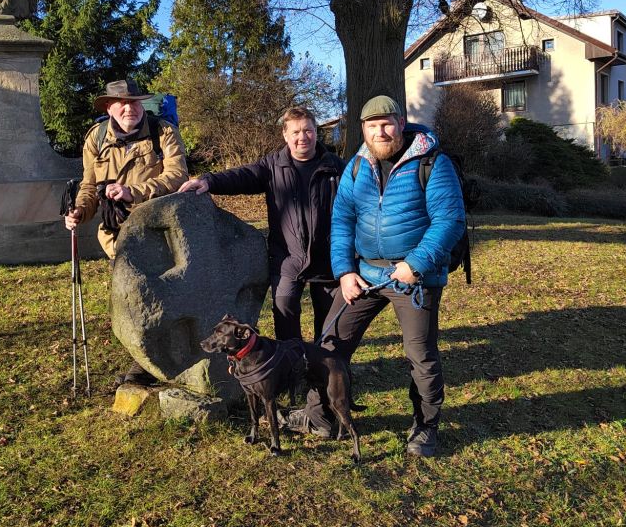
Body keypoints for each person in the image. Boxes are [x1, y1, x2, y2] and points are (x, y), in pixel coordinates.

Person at [286, 95, 465, 456]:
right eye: (372, 126)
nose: (380, 132)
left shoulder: (433, 162)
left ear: (401, 124)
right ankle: (320, 416)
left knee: (420, 355)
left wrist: (415, 264)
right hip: (365, 274)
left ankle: (425, 426)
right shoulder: (357, 166)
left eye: (386, 124)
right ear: (363, 129)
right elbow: (342, 221)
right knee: (329, 344)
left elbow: (450, 220)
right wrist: (345, 272)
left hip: (414, 278)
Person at [178, 106, 344, 342]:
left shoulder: (337, 167)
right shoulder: (272, 166)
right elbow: (242, 176)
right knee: (284, 314)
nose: (302, 137)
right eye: (295, 132)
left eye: (308, 130)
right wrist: (208, 181)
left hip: (327, 260)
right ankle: (291, 359)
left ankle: (324, 362)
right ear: (285, 135)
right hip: (287, 259)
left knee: (328, 325)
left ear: (316, 132)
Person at [63, 78, 188, 384]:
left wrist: (134, 192)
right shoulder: (96, 137)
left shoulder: (163, 132)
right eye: (121, 103)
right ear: (109, 107)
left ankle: (151, 364)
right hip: (116, 234)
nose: (129, 108)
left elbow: (177, 175)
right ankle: (147, 361)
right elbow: (89, 186)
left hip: (158, 228)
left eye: (134, 102)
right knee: (133, 299)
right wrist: (79, 212)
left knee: (160, 296)